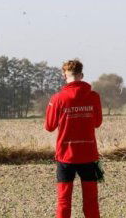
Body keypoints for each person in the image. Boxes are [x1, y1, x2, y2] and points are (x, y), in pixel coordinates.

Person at [44, 59, 104, 218]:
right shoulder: (94, 96)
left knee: (63, 202)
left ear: (64, 75)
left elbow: (49, 126)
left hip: (65, 156)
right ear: (81, 75)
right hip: (89, 155)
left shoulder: (57, 98)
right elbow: (97, 123)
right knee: (91, 202)